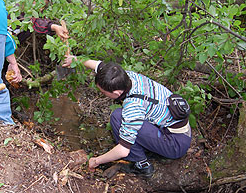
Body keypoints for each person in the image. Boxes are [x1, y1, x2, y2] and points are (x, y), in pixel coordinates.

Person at [63, 57, 192, 178]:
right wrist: (75, 59)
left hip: (175, 144)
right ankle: (149, 148)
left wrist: (96, 161)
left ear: (116, 93)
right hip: (176, 130)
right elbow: (100, 66)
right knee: (122, 118)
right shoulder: (128, 77)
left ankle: (142, 165)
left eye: (103, 92)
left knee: (118, 117)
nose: (102, 94)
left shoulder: (133, 106)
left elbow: (123, 150)